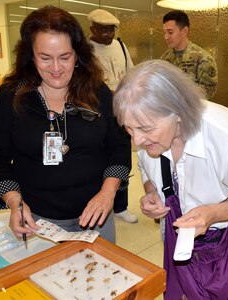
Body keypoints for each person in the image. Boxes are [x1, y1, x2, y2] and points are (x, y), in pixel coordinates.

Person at [113, 59, 228, 299]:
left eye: (146, 129)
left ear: (178, 113)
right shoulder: (146, 130)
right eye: (129, 129)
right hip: (179, 239)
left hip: (226, 242)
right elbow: (148, 171)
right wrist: (151, 192)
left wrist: (212, 214)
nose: (137, 141)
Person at [0, 5, 131, 244]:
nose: (56, 69)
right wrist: (14, 202)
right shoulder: (11, 95)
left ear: (77, 54)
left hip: (97, 216)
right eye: (45, 58)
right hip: (37, 220)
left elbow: (120, 145)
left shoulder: (97, 92)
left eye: (65, 57)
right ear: (30, 55)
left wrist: (108, 192)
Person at [88, 8, 137, 223]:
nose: (108, 34)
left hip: (120, 110)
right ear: (92, 29)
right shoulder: (84, 49)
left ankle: (120, 205)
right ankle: (98, 201)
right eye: (103, 30)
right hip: (94, 111)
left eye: (111, 30)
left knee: (122, 154)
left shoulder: (121, 46)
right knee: (98, 156)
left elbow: (131, 74)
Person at [161, 10, 218, 100]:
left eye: (170, 32)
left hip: (192, 110)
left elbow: (209, 90)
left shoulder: (202, 58)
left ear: (184, 31)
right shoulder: (165, 57)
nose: (166, 37)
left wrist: (181, 93)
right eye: (165, 32)